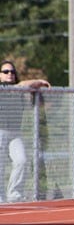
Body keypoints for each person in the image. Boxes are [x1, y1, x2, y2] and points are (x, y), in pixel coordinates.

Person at [0, 60, 51, 203]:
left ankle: (14, 195)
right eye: (5, 72)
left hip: (15, 131)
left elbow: (25, 91)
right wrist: (38, 81)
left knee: (21, 160)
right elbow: (22, 85)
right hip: (1, 131)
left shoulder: (19, 90)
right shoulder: (6, 87)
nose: (9, 74)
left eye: (12, 72)